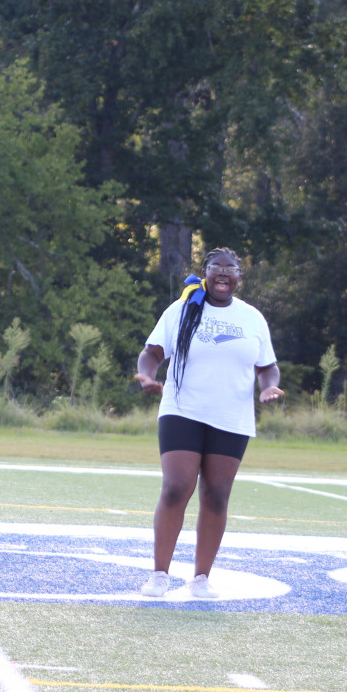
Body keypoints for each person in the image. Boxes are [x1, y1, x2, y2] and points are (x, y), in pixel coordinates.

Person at [133, 247, 284, 598]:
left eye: (231, 269)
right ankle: (159, 574)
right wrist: (146, 375)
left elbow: (267, 366)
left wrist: (269, 387)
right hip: (183, 408)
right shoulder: (182, 309)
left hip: (231, 416)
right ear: (205, 273)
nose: (223, 273)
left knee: (216, 495)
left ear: (239, 278)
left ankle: (201, 578)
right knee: (176, 486)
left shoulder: (252, 318)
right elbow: (152, 352)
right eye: (216, 267)